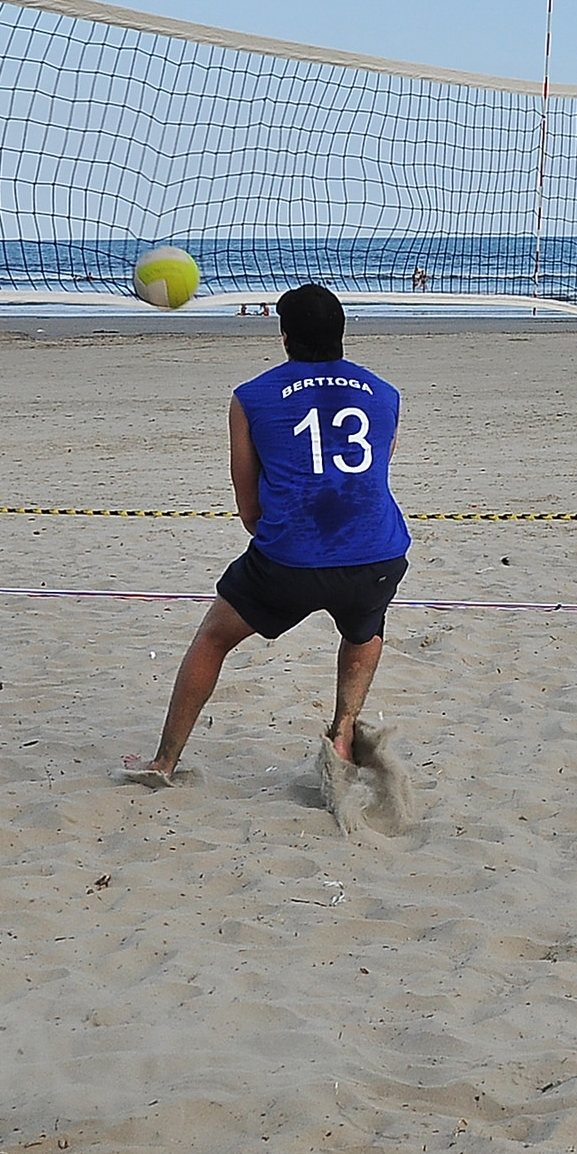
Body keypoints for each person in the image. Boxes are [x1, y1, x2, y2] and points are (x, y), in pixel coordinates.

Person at [122, 284, 409, 786]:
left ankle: (163, 762)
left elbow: (248, 505)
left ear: (284, 337)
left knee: (213, 638)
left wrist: (282, 542)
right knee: (363, 627)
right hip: (378, 553)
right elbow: (371, 478)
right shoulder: (386, 394)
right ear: (342, 333)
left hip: (291, 558)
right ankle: (342, 734)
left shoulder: (251, 396)